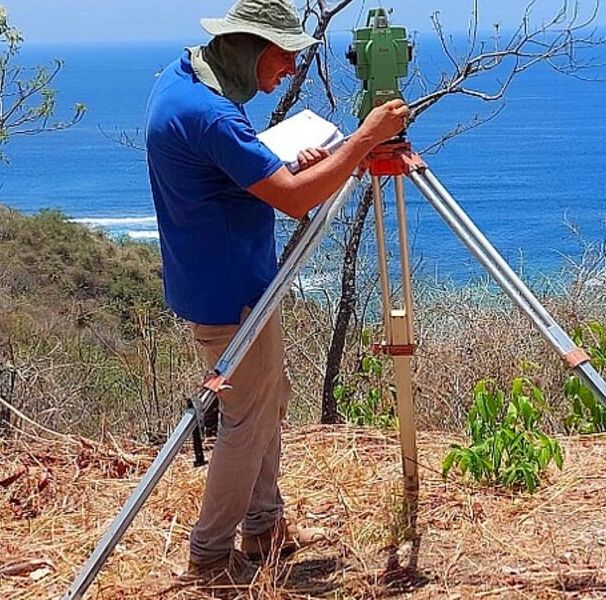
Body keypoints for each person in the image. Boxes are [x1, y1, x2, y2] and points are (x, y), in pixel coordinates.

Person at [144, 0, 409, 589]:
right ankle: (210, 555)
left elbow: (227, 160)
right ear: (253, 48)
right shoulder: (213, 115)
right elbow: (293, 199)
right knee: (246, 418)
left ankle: (264, 527)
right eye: (285, 59)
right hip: (230, 290)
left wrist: (275, 159)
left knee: (268, 399)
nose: (289, 73)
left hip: (215, 278)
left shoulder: (181, 77)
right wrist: (365, 139)